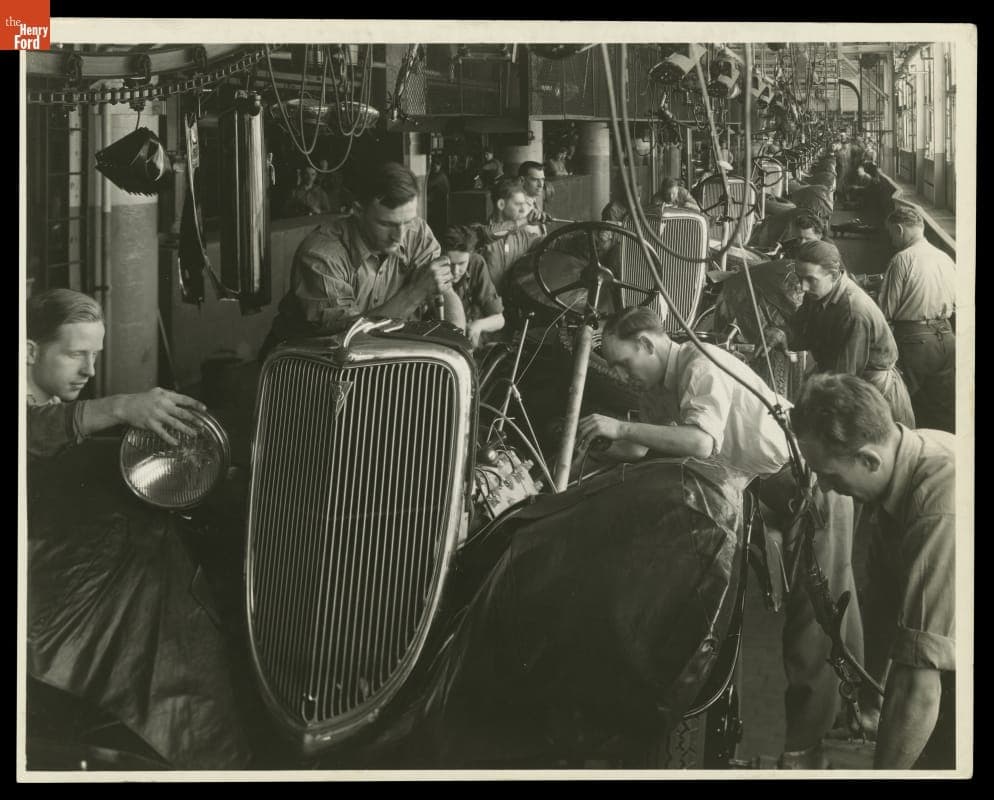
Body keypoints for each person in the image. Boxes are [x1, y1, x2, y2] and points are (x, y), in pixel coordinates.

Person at [576, 307, 864, 768]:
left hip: (809, 480)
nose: (623, 374)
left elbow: (700, 442)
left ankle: (810, 748)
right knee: (818, 606)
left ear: (649, 343)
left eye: (625, 362)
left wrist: (622, 427)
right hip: (765, 480)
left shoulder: (700, 364)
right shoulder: (661, 381)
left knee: (817, 614)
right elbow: (648, 444)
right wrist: (591, 451)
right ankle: (843, 715)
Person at [25, 288, 251, 768]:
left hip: (53, 545)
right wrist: (121, 406)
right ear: (29, 351)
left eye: (95, 355)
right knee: (157, 555)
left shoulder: (46, 391)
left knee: (173, 533)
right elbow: (35, 431)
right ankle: (193, 738)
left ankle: (196, 728)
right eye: (74, 355)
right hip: (36, 571)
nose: (88, 370)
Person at [791, 374, 955, 769]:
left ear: (869, 459)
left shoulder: (939, 502)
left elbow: (920, 684)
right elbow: (884, 607)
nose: (827, 489)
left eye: (831, 476)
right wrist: (872, 704)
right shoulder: (901, 461)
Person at [265, 162, 465, 355]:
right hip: (305, 366)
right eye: (387, 224)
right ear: (358, 211)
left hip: (377, 358)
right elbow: (349, 343)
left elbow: (445, 292)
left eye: (408, 222)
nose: (400, 235)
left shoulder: (417, 232)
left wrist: (460, 351)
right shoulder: (321, 256)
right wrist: (416, 292)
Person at [787, 240, 916, 427]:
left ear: (833, 275)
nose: (803, 287)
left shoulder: (852, 311)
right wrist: (784, 335)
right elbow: (805, 334)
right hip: (847, 381)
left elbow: (845, 378)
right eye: (799, 278)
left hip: (871, 391)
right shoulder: (818, 293)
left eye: (810, 279)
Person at [878, 207, 957, 432]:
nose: (892, 240)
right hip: (947, 338)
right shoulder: (945, 257)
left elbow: (886, 311)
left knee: (904, 403)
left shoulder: (901, 259)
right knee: (940, 405)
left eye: (891, 233)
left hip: (915, 341)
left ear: (899, 229)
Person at [440, 225, 505, 349]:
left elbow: (500, 319)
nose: (455, 271)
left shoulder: (476, 263)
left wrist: (478, 325)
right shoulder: (431, 266)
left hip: (469, 347)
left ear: (470, 255)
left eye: (462, 263)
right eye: (450, 263)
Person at [475, 177, 544, 290]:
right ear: (501, 204)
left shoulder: (522, 237)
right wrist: (525, 221)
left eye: (523, 204)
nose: (523, 210)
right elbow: (488, 234)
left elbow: (547, 243)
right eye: (518, 204)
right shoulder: (479, 232)